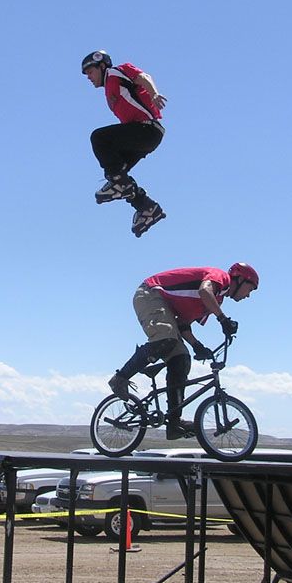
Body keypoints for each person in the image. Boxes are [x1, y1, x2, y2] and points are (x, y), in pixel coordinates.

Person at [107, 263, 259, 440]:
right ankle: (120, 378)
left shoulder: (215, 301)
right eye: (250, 289)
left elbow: (183, 324)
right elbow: (204, 291)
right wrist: (223, 319)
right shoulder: (220, 278)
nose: (248, 295)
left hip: (167, 309)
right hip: (150, 293)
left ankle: (174, 423)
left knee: (181, 358)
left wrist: (197, 346)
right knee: (166, 339)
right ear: (240, 279)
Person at [81, 50, 167, 237]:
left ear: (102, 65)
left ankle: (121, 184)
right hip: (142, 135)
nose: (88, 77)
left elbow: (143, 76)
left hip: (147, 130)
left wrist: (154, 93)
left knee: (99, 138)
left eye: (90, 72)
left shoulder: (115, 72)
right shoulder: (109, 90)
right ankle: (147, 208)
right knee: (117, 175)